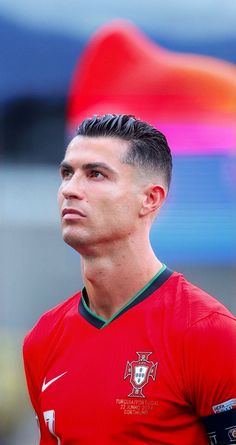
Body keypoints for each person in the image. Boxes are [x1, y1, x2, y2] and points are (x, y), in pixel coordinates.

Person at [23, 114, 236, 445]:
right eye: (67, 173)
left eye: (95, 174)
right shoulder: (42, 339)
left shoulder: (210, 333)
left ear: (150, 199)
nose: (70, 189)